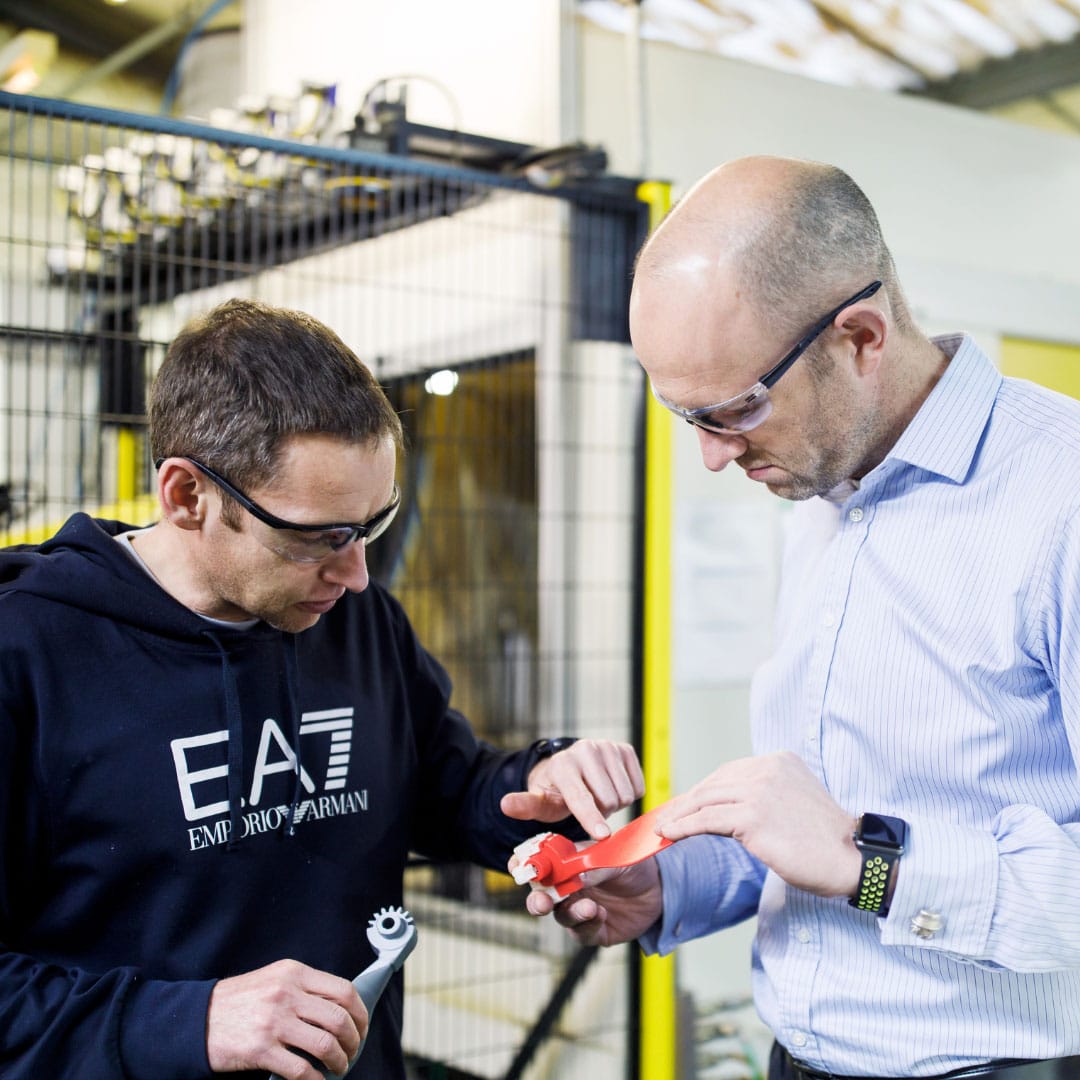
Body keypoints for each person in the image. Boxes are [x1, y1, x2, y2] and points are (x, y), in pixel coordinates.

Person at [521, 157, 1080, 1079]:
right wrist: (666, 884)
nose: (712, 456)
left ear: (859, 336)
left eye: (736, 408)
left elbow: (844, 847)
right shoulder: (821, 495)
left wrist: (872, 862)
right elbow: (815, 827)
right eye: (686, 415)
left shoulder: (1060, 497)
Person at [0, 298, 644, 1080]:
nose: (357, 573)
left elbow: (446, 788)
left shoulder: (354, 617)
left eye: (372, 525)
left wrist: (538, 784)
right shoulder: (28, 654)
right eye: (317, 538)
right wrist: (190, 1023)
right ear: (187, 496)